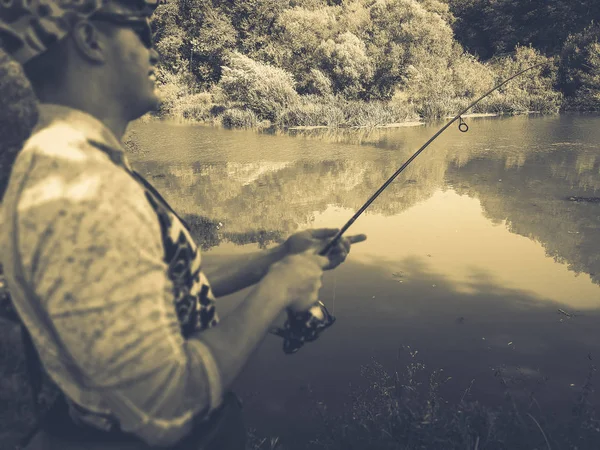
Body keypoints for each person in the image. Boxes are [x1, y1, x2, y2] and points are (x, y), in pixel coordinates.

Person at [0, 0, 366, 449]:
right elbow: (164, 408)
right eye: (142, 32)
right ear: (90, 40)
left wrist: (276, 259)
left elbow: (161, 284)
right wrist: (279, 289)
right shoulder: (80, 188)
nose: (155, 53)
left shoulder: (75, 164)